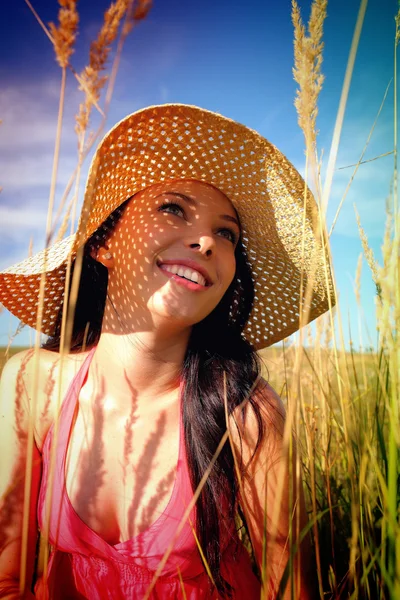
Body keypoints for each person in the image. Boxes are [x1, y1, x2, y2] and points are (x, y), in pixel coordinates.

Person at [0, 104, 334, 599]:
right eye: (173, 208)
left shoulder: (245, 412)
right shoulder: (33, 383)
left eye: (227, 234)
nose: (206, 242)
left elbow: (292, 589)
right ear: (103, 243)